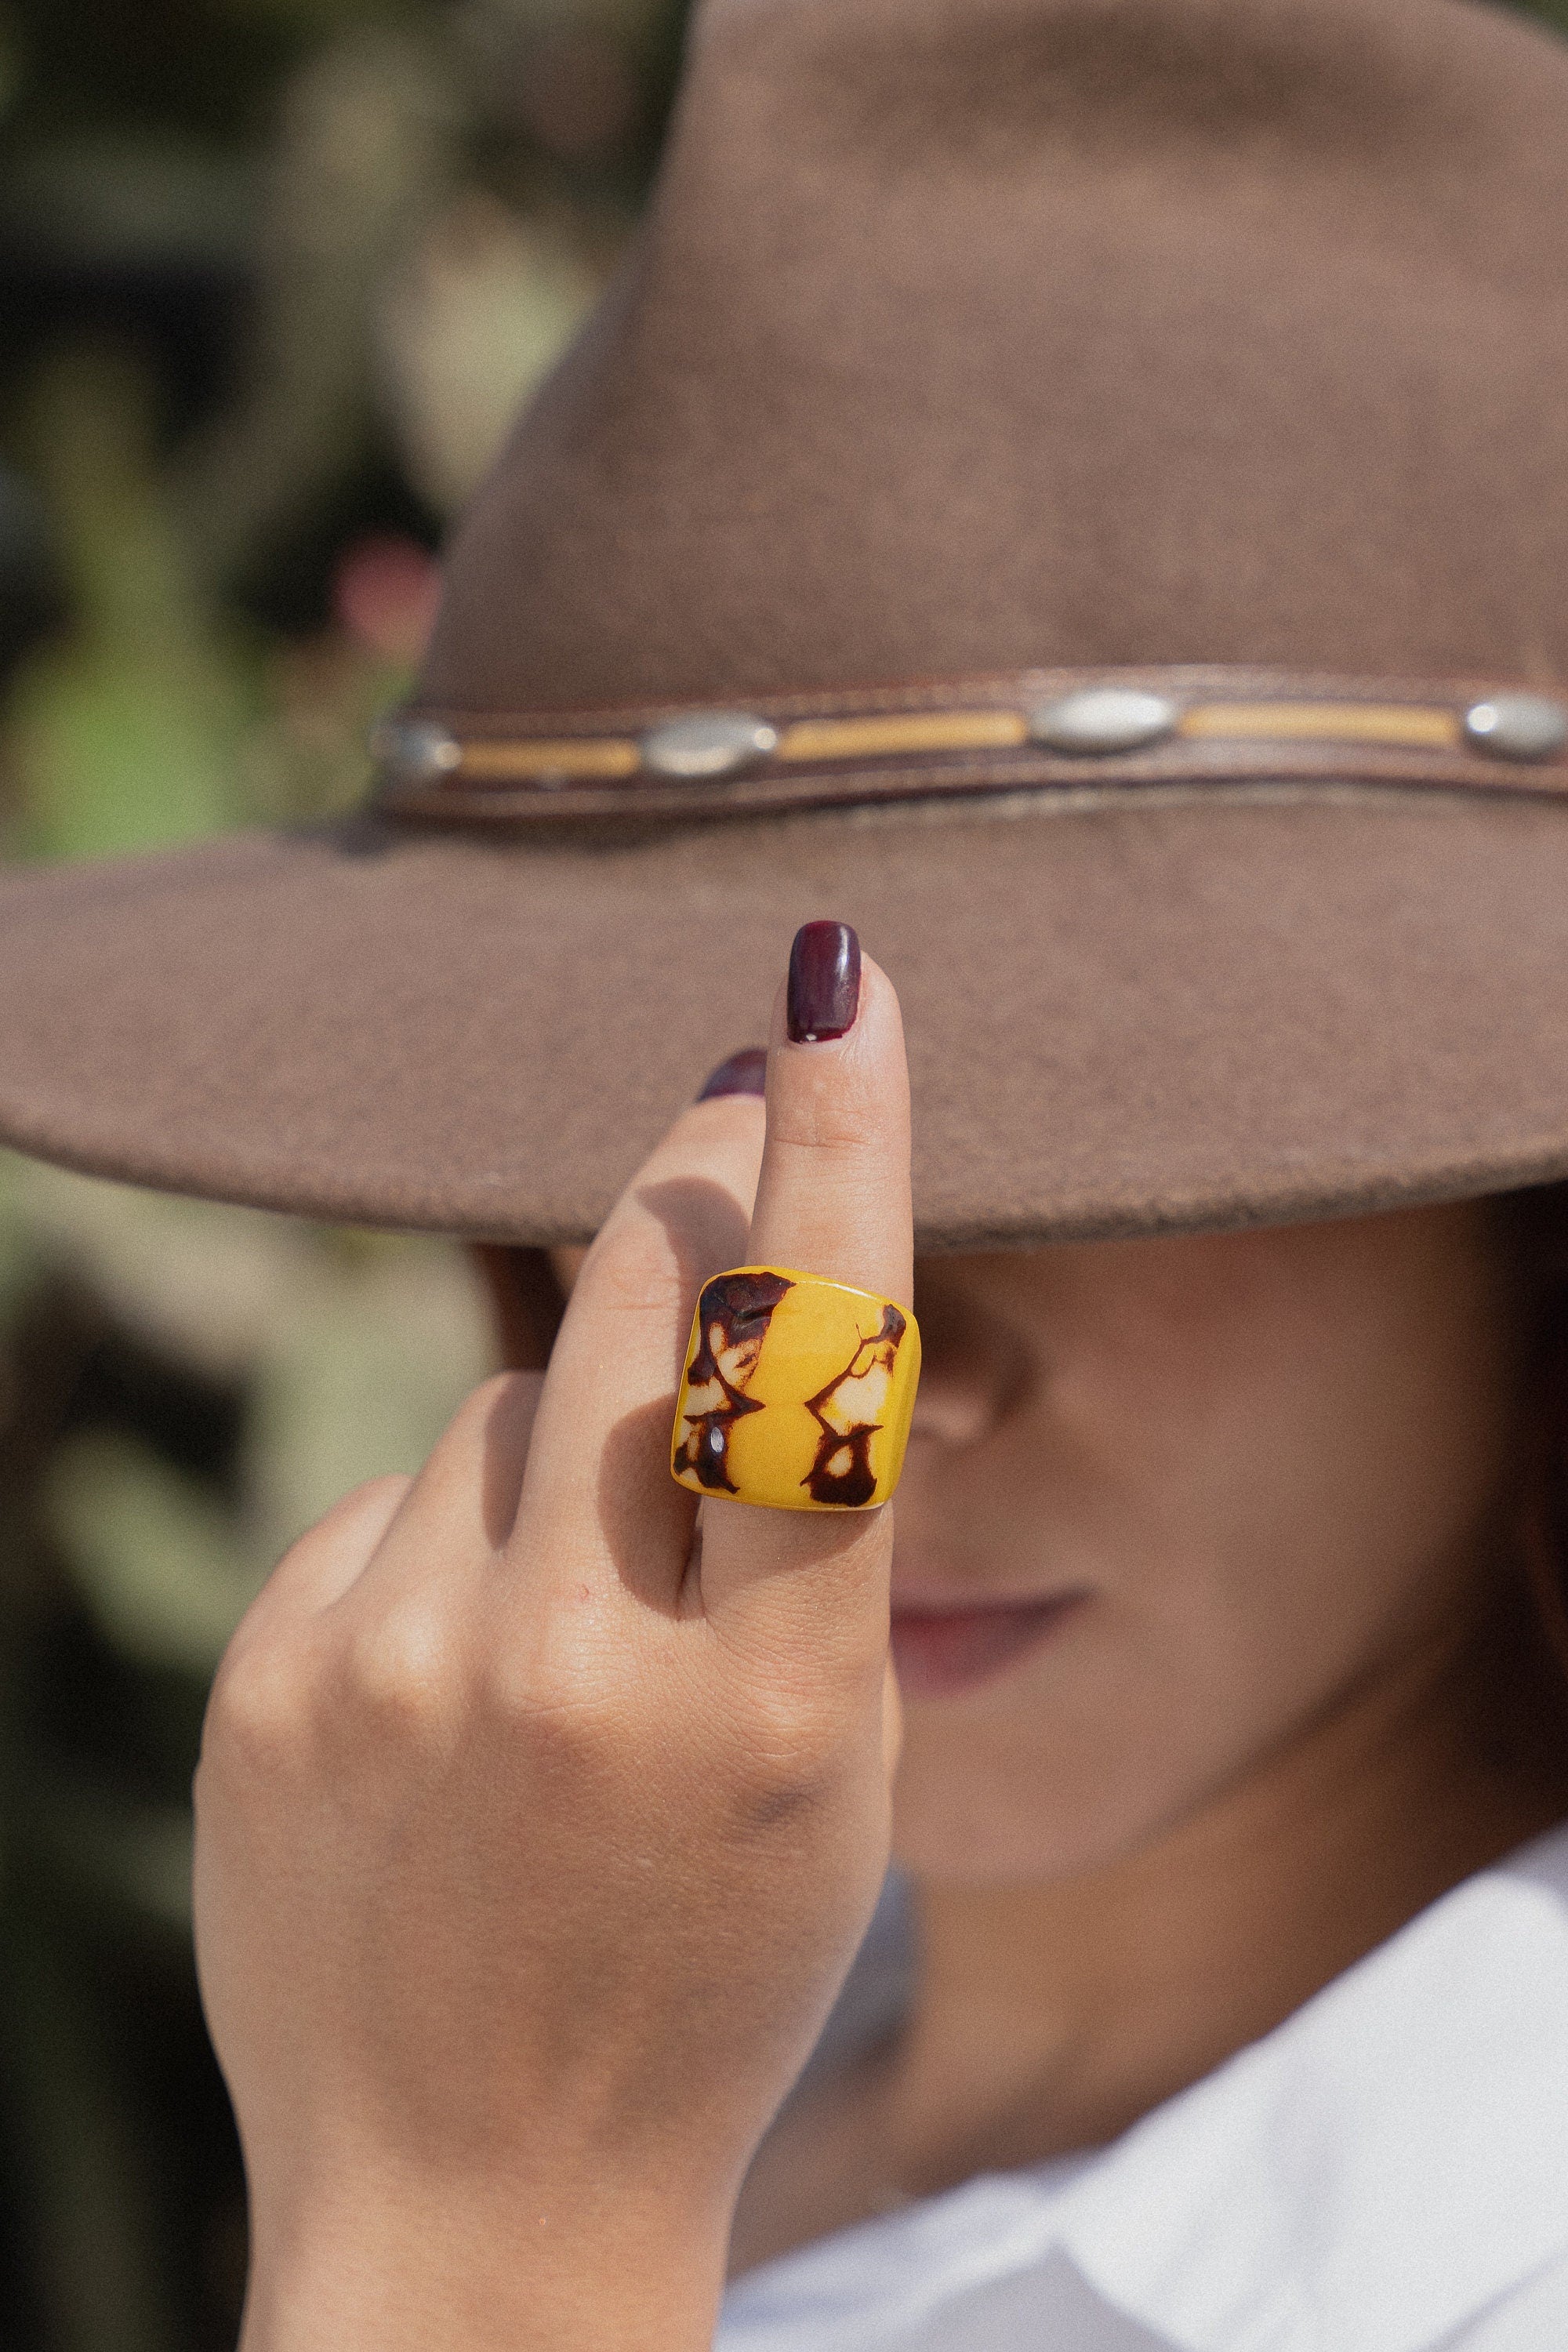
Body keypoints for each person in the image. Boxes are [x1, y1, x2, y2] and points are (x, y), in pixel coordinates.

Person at [5, 0, 1568, 2343]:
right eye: (717, 1121)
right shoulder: (633, 1986)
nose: (861, 1380)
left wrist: (475, 2236)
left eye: (1138, 1155)